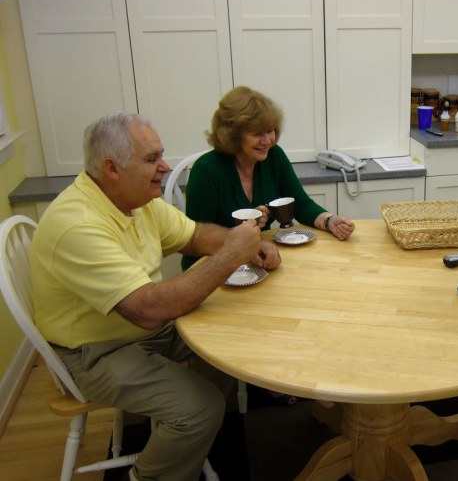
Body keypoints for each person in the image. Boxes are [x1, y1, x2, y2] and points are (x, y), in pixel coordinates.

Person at [30, 112, 281, 481]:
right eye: (151, 159)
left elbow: (195, 236)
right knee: (200, 409)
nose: (164, 167)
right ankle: (153, 468)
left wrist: (246, 246)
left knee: (232, 336)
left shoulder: (135, 199)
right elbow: (149, 310)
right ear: (112, 168)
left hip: (138, 329)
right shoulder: (78, 225)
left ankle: (187, 438)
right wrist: (231, 254)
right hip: (94, 350)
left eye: (160, 156)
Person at [182, 86, 355, 270]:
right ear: (233, 134)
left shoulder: (274, 156)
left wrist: (329, 220)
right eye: (257, 134)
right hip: (209, 268)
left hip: (257, 261)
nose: (267, 141)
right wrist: (245, 233)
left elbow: (300, 204)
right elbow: (196, 239)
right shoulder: (206, 170)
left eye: (270, 130)